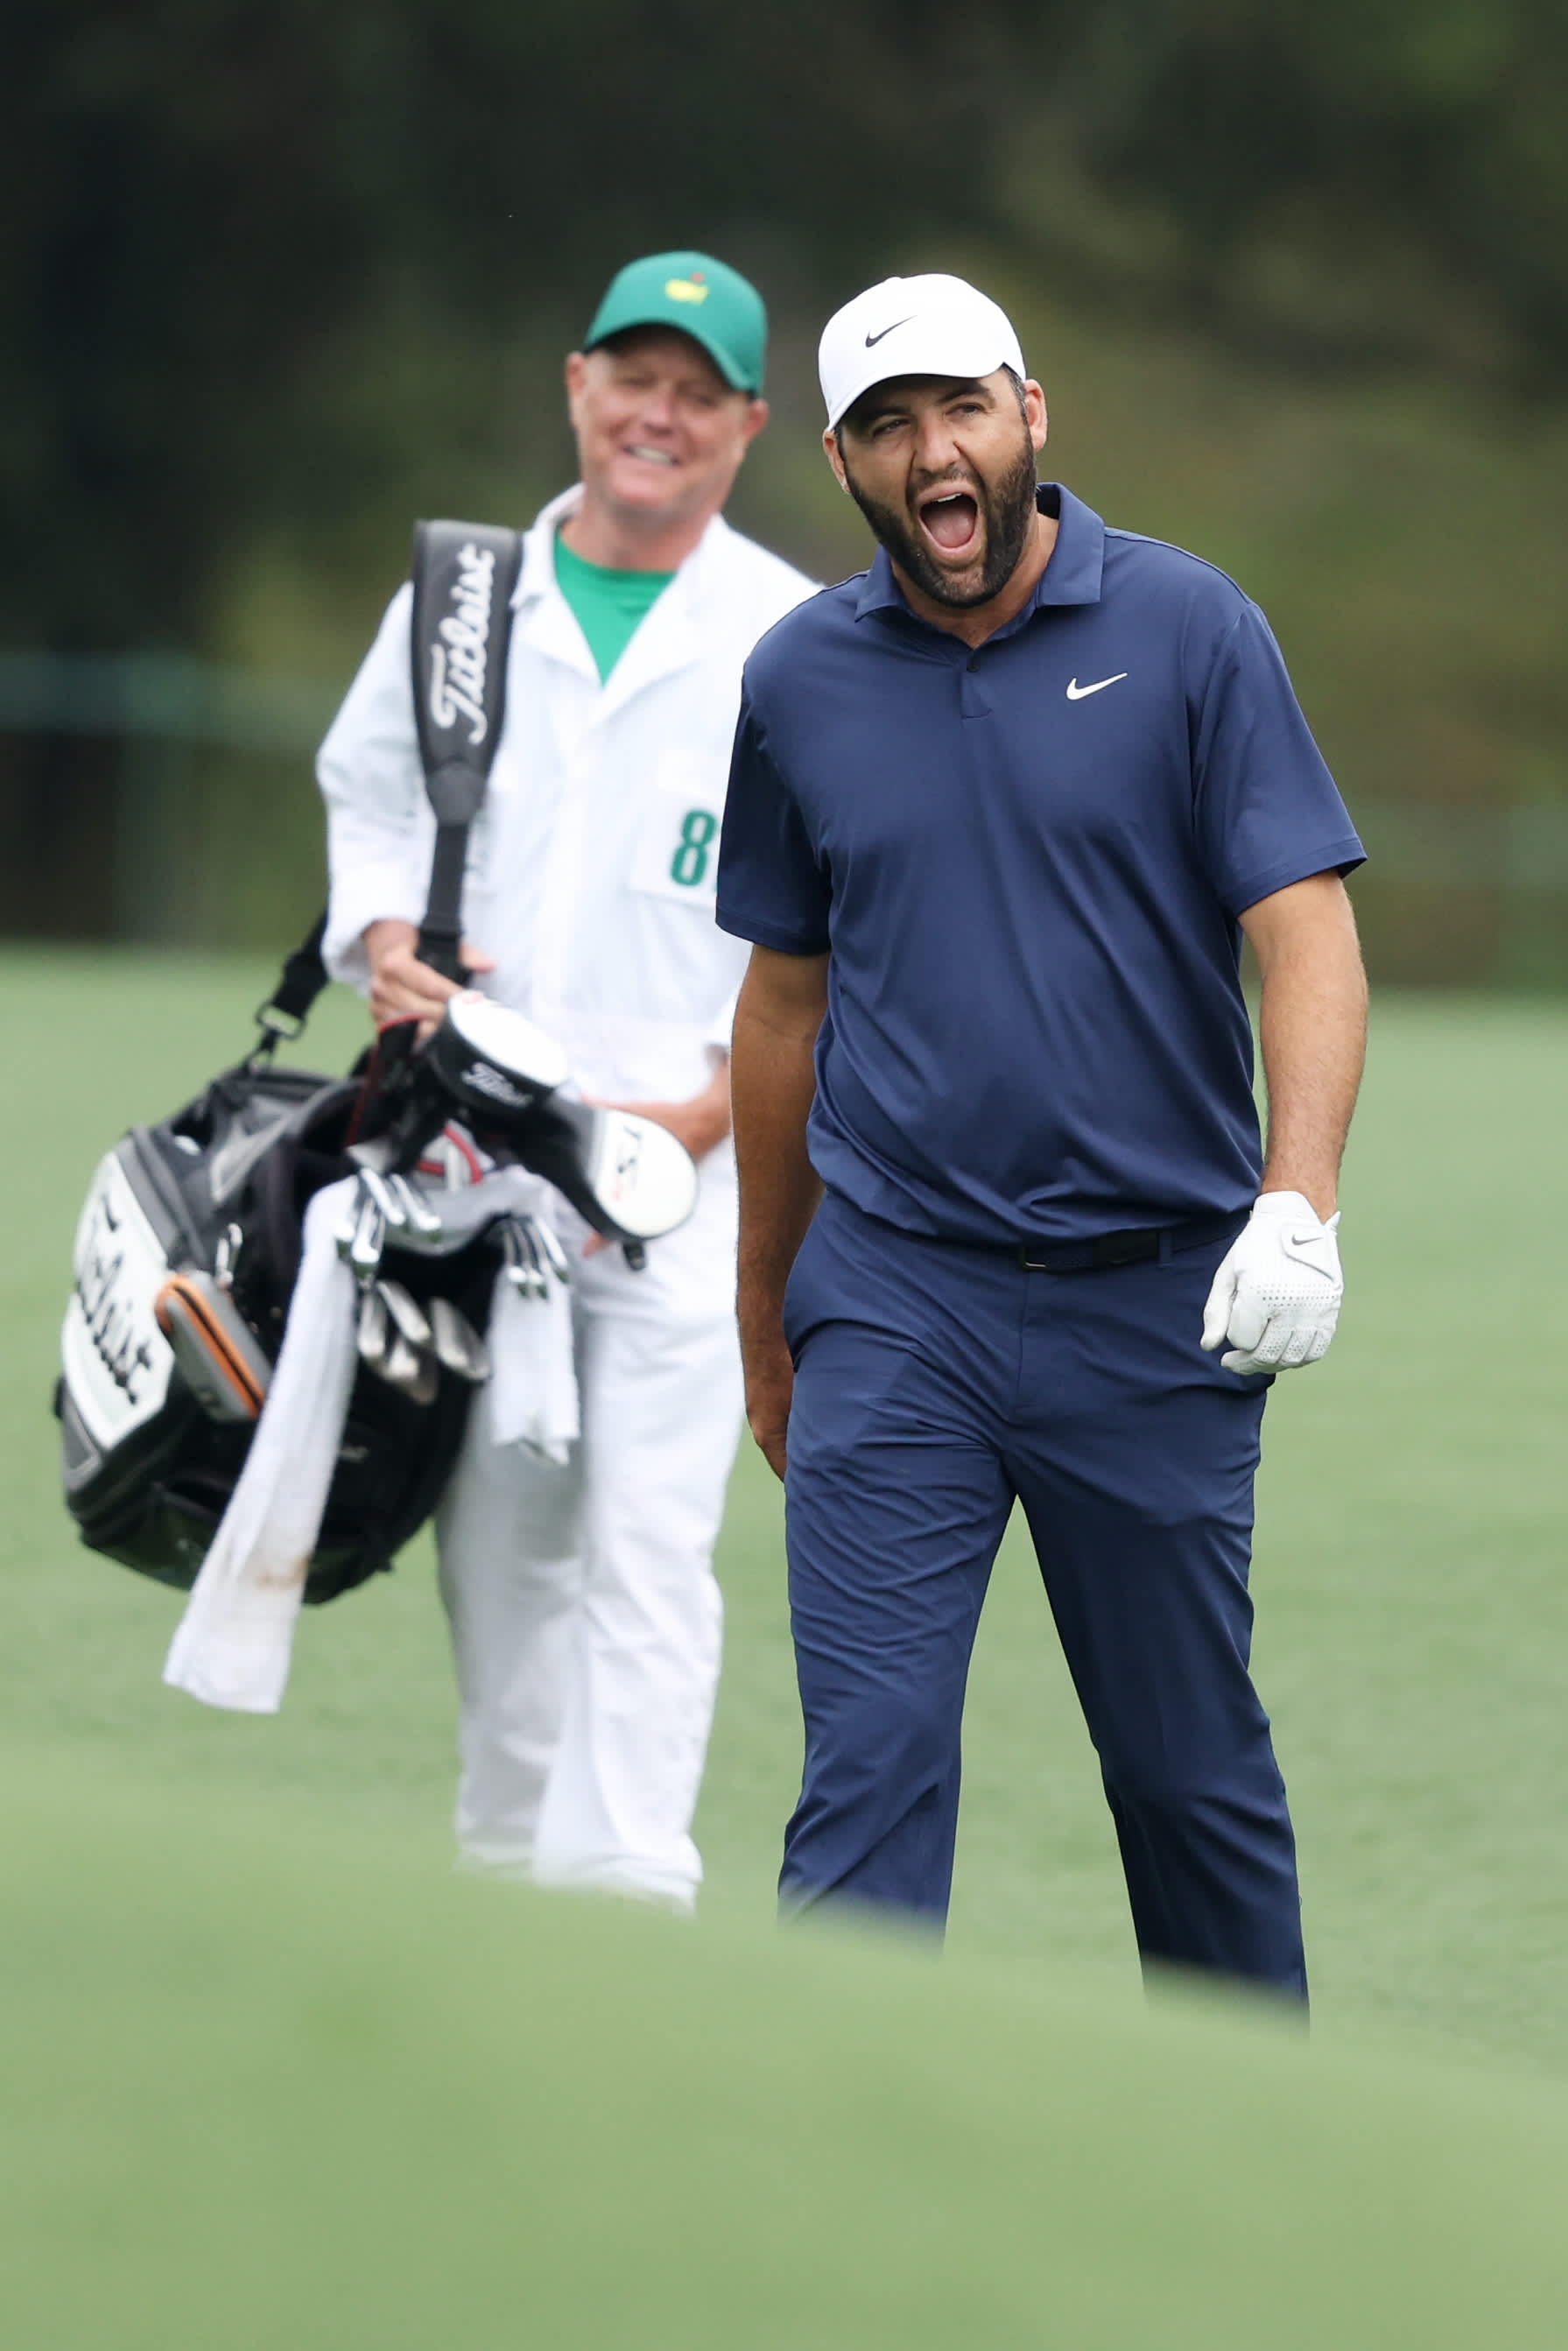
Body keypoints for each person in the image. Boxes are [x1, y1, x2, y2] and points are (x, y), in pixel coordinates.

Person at [716, 273, 1368, 1995]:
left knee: (1183, 1782)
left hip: (1152, 1306)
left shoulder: (1190, 627)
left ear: (1028, 416)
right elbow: (782, 1006)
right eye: (883, 425)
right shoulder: (795, 677)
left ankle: (1247, 2159)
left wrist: (1295, 1203)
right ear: (848, 465)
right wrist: (764, 1315)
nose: (930, 452)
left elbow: (1299, 924)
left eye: (959, 410)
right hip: (892, 1296)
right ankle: (834, 2170)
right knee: (861, 1781)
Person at [316, 251, 814, 1907]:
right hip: (473, 1161)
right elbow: (373, 797)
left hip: (682, 1170)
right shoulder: (460, 600)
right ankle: (504, 1873)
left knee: (651, 1544)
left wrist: (706, 1118)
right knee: (502, 1537)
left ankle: (623, 1892)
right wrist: (387, 937)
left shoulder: (789, 639)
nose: (656, 415)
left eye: (697, 391)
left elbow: (836, 910)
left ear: (747, 423)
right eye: (633, 378)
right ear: (577, 384)